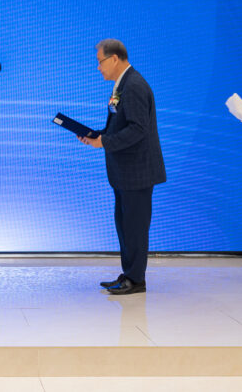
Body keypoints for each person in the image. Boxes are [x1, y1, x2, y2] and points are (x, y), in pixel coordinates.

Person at [79, 39, 165, 295]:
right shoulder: (122, 85)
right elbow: (120, 124)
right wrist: (98, 135)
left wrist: (104, 142)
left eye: (100, 62)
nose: (98, 67)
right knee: (125, 225)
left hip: (137, 172)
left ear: (114, 58)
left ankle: (136, 279)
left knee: (135, 227)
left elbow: (138, 129)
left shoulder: (134, 85)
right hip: (124, 172)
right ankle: (129, 274)